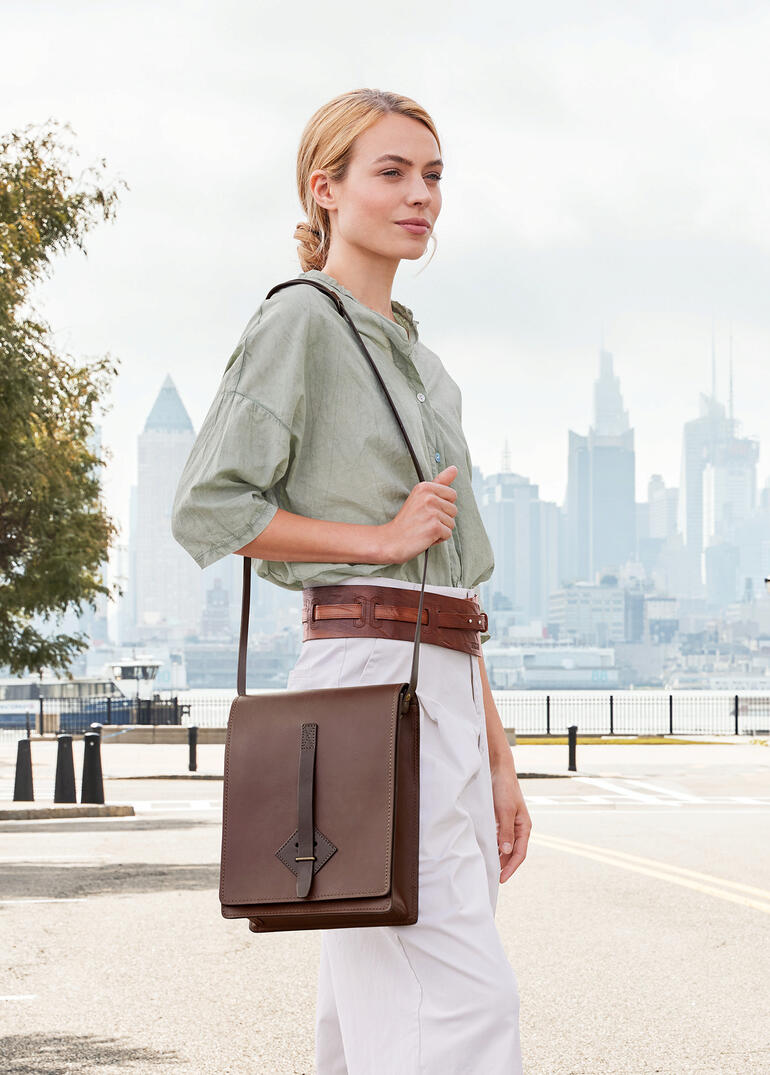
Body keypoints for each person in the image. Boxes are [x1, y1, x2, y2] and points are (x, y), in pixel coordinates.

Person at [171, 87, 531, 1075]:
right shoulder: (301, 320)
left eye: (433, 175)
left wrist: (497, 758)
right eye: (392, 172)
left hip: (440, 673)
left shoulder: (420, 360)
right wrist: (376, 541)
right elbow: (209, 505)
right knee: (456, 1003)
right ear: (323, 188)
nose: (421, 195)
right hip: (367, 670)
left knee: (379, 996)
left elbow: (447, 581)